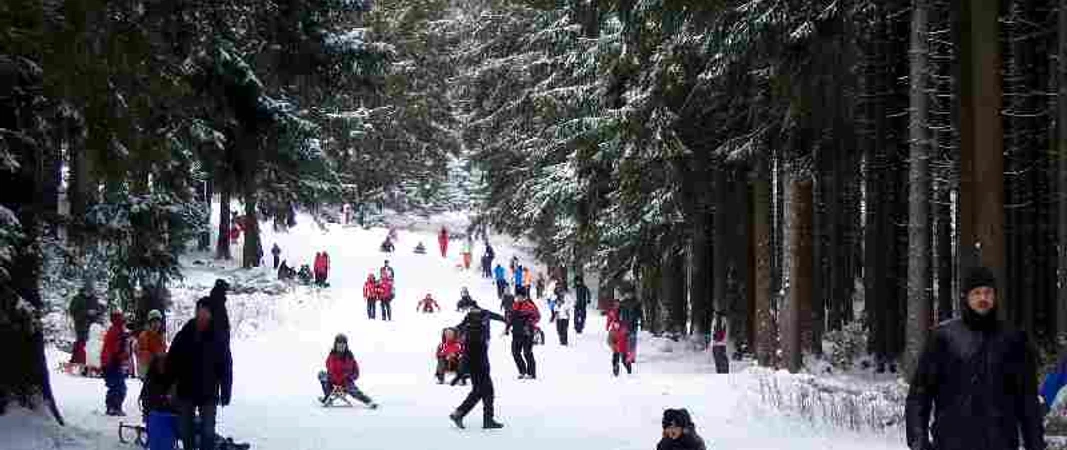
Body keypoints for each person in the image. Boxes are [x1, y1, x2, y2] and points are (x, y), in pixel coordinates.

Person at [905, 266, 1044, 450]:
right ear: (966, 297)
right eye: (976, 293)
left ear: (995, 296)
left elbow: (1028, 403)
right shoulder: (943, 338)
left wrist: (1035, 445)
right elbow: (919, 396)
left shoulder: (1014, 340)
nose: (983, 298)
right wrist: (919, 443)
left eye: (988, 292)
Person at [167, 298, 233, 450]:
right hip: (186, 390)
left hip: (208, 391)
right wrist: (167, 385)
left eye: (206, 311)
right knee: (185, 429)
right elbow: (172, 360)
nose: (203, 314)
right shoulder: (185, 332)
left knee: (208, 431)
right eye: (200, 310)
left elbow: (226, 365)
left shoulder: (218, 336)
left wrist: (226, 390)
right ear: (196, 312)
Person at [448, 303, 506, 430]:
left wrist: (461, 372)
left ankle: (460, 414)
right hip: (481, 366)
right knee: (487, 391)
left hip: (474, 365)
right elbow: (496, 316)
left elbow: (459, 329)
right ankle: (486, 420)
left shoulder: (469, 322)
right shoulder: (483, 316)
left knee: (478, 391)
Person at [318, 334, 378, 408]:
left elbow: (356, 372)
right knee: (321, 374)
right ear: (335, 345)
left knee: (354, 390)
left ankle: (368, 401)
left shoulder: (350, 357)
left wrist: (350, 377)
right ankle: (328, 398)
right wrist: (333, 377)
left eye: (343, 344)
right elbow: (329, 368)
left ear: (346, 345)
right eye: (339, 344)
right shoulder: (331, 356)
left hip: (346, 382)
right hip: (333, 382)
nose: (341, 346)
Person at [101, 310, 131, 416]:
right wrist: (124, 356)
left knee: (115, 386)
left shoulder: (115, 330)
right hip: (112, 363)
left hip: (109, 363)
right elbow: (115, 350)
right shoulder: (116, 331)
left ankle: (112, 407)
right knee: (118, 387)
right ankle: (114, 407)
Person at [68, 284, 101, 365]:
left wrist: (96, 312)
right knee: (81, 343)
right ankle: (76, 360)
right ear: (83, 291)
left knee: (91, 344)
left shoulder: (94, 299)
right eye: (87, 291)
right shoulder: (77, 299)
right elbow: (72, 311)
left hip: (92, 326)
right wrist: (86, 312)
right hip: (81, 324)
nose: (89, 293)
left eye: (91, 291)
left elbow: (99, 310)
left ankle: (89, 361)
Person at [510, 294, 540, 379]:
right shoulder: (514, 305)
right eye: (517, 296)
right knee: (515, 352)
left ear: (524, 297)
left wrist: (529, 323)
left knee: (527, 353)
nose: (518, 298)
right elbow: (511, 318)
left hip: (527, 333)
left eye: (520, 296)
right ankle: (522, 371)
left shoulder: (530, 305)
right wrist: (507, 327)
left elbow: (537, 316)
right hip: (516, 333)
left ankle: (531, 373)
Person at [135, 309, 168, 379]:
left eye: (158, 321)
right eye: (154, 321)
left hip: (158, 370)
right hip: (148, 371)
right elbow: (140, 353)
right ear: (150, 323)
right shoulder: (144, 335)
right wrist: (154, 356)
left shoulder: (161, 336)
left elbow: (163, 350)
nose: (156, 324)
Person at [619, 291, 642, 364]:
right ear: (625, 294)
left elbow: (640, 313)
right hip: (624, 325)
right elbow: (618, 314)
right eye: (627, 293)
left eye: (630, 293)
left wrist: (642, 322)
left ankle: (632, 356)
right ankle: (626, 355)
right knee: (626, 341)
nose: (629, 295)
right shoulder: (622, 303)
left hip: (634, 324)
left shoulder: (636, 303)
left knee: (632, 341)